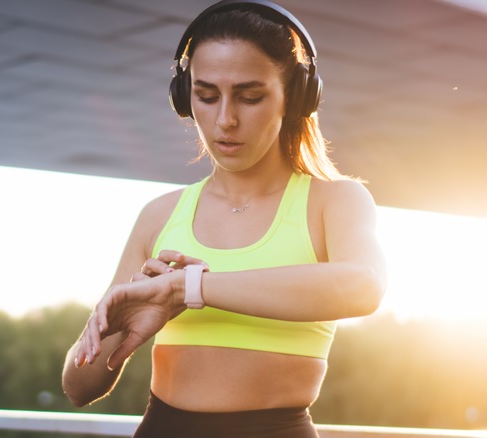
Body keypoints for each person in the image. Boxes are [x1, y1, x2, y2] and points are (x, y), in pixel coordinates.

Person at [61, 1, 387, 436]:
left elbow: (363, 286)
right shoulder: (159, 215)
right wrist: (112, 330)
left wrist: (189, 289)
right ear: (183, 96)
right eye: (206, 95)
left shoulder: (335, 200)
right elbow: (78, 388)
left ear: (296, 96)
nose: (225, 119)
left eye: (250, 97)